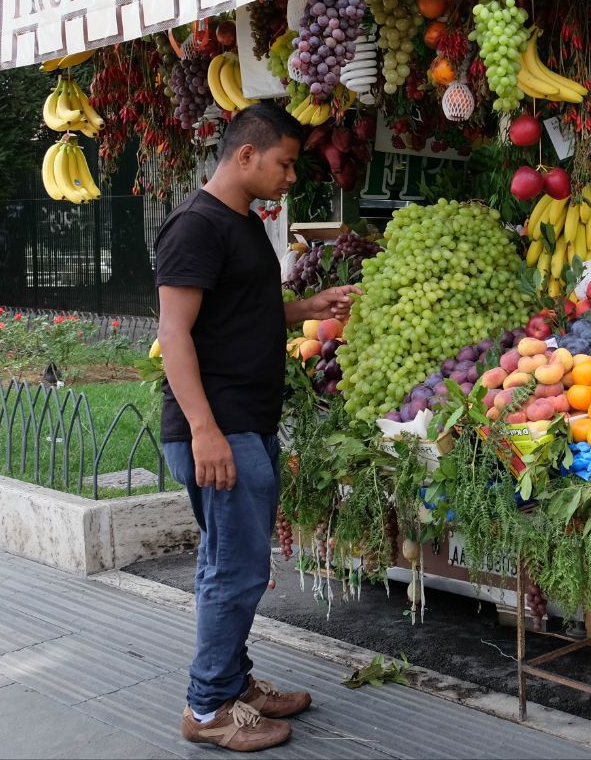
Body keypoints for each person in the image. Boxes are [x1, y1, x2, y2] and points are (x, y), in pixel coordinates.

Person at [157, 104, 359, 752]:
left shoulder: (242, 222)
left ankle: (232, 680)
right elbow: (174, 332)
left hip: (244, 422)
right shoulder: (195, 226)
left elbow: (241, 312)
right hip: (219, 427)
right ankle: (207, 705)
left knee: (231, 562)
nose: (292, 176)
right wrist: (204, 430)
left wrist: (306, 307)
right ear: (246, 155)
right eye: (286, 162)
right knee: (236, 569)